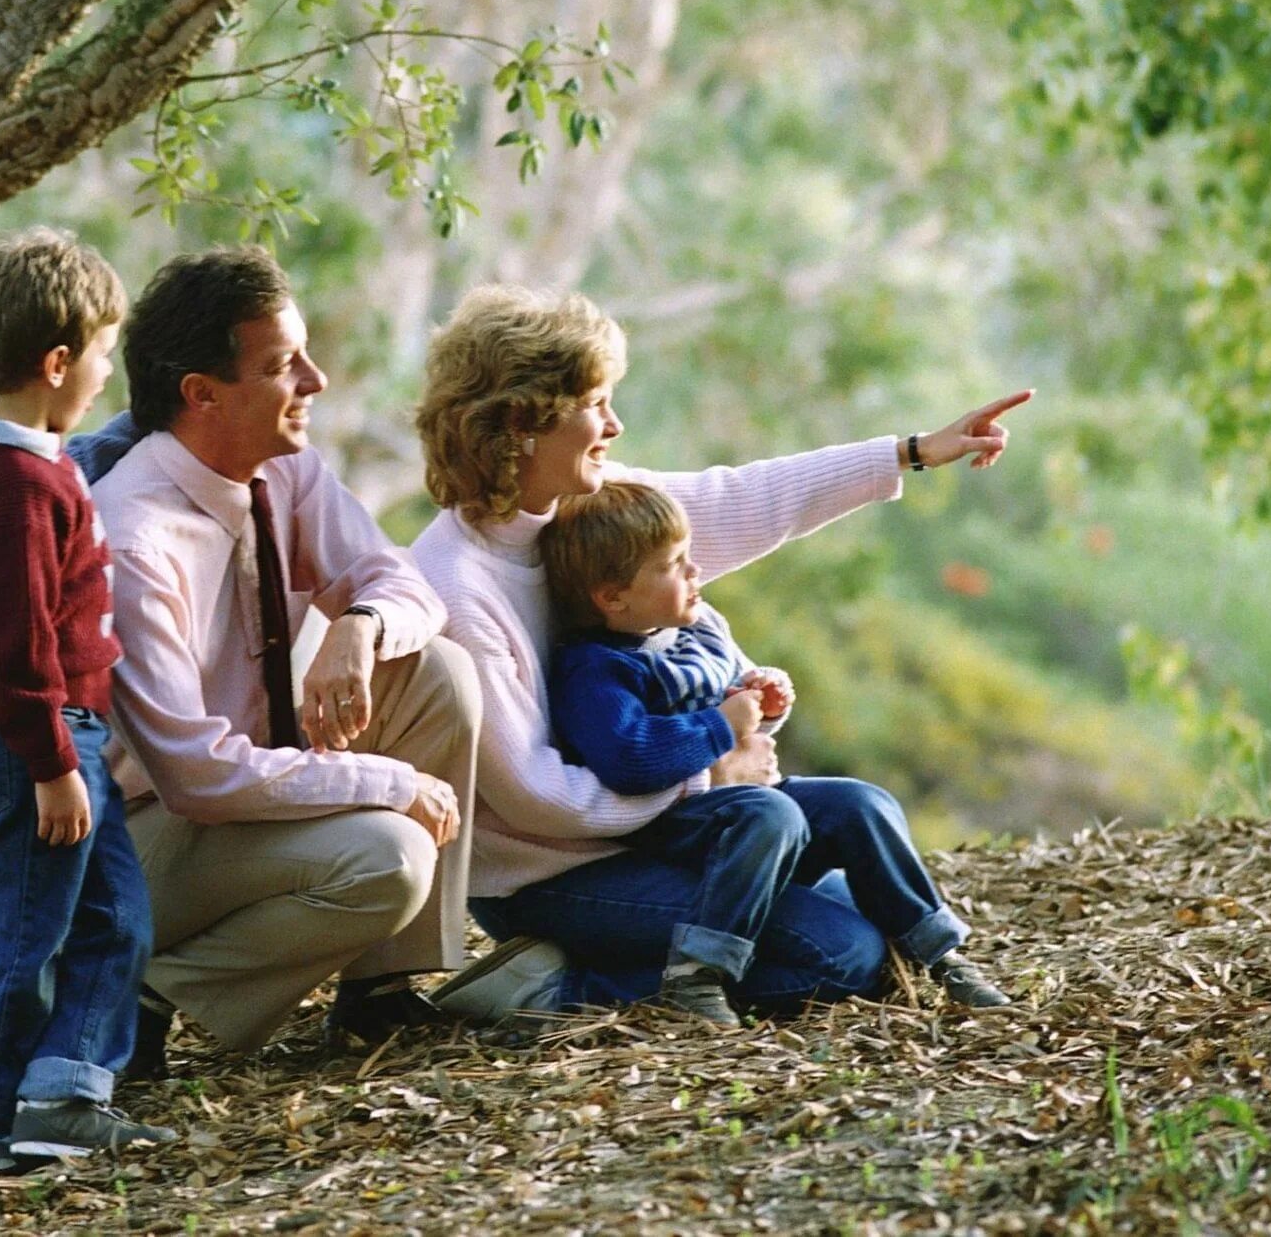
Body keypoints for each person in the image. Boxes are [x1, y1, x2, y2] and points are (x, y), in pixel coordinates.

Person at [410, 284, 1029, 1022]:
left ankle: (685, 940)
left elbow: (740, 498)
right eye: (594, 403)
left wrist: (914, 451)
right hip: (554, 874)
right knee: (844, 955)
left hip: (668, 830)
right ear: (521, 421)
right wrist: (711, 770)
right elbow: (540, 795)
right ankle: (555, 985)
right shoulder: (457, 584)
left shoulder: (590, 501)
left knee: (855, 862)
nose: (614, 424)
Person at [86, 246, 481, 1070]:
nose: (316, 379)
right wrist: (392, 782)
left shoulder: (282, 467)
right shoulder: (135, 537)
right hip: (146, 838)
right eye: (281, 364)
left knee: (440, 673)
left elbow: (404, 584)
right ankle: (147, 993)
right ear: (202, 394)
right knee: (389, 855)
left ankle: (383, 992)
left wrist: (360, 626)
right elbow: (197, 777)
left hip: (235, 799)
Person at [537, 479, 1010, 1021]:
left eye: (689, 557)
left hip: (736, 811)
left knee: (861, 804)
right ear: (611, 596)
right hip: (662, 833)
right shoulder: (595, 669)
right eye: (672, 565)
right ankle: (695, 975)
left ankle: (938, 951)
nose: (694, 574)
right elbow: (631, 759)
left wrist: (759, 701)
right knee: (772, 815)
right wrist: (721, 724)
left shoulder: (689, 633)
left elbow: (730, 715)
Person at [0, 230, 177, 1175]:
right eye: (106, 356)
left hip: (56, 735)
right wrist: (52, 766)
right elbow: (17, 643)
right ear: (57, 361)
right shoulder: (20, 484)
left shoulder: (11, 444)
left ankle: (65, 1093)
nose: (107, 377)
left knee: (117, 919)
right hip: (29, 739)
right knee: (29, 935)